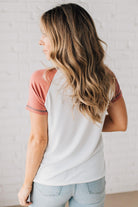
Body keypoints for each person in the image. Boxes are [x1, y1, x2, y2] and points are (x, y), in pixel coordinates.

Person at [17, 3, 128, 207]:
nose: (40, 41)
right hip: (92, 180)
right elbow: (121, 123)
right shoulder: (107, 77)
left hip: (52, 181)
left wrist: (25, 185)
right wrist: (87, 125)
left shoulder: (41, 80)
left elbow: (38, 140)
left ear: (63, 39)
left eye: (45, 35)